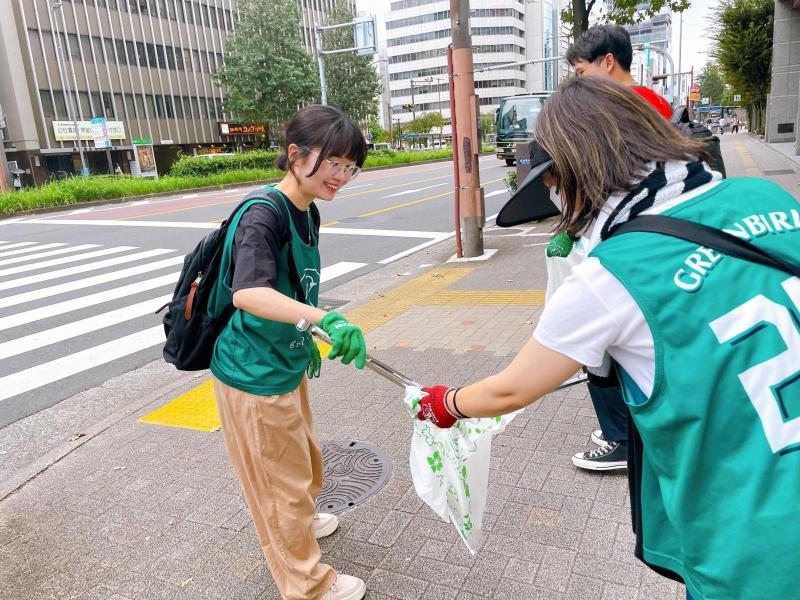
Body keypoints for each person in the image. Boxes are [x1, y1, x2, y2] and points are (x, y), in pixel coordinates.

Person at [417, 77, 800, 600]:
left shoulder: (615, 272)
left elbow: (513, 389)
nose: (559, 207)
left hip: (756, 541)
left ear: (580, 172)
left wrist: (448, 403)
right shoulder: (765, 195)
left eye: (555, 186)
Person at [210, 105, 369, 600]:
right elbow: (248, 293)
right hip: (253, 372)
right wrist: (324, 319)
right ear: (296, 155)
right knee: (280, 486)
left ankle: (300, 520)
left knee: (303, 460)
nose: (342, 176)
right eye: (334, 163)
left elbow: (289, 290)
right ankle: (307, 585)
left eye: (351, 167)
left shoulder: (307, 209)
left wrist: (306, 335)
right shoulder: (264, 214)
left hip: (283, 359)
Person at [561, 23, 673, 470]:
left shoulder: (619, 110)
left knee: (600, 347)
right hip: (654, 242)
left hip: (627, 245)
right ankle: (631, 429)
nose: (581, 81)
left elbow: (607, 186)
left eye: (583, 70)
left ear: (608, 62)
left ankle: (620, 440)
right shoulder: (655, 103)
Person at [566, 23, 672, 120]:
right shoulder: (662, 104)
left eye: (581, 72)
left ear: (608, 62)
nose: (579, 81)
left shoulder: (609, 111)